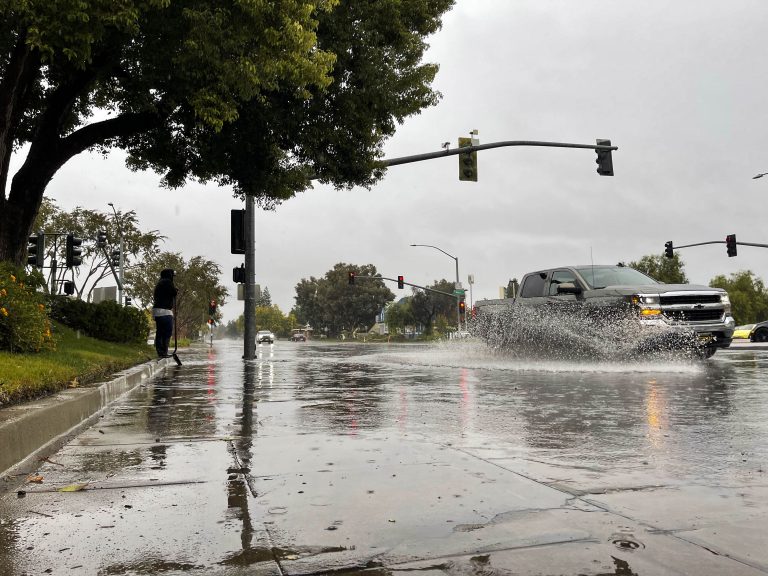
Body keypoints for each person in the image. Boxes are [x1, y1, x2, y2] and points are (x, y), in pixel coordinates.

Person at [152, 268, 178, 358]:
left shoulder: (160, 283)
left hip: (157, 310)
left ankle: (160, 352)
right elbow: (173, 292)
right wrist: (175, 290)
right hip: (165, 311)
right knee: (167, 331)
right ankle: (164, 351)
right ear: (169, 275)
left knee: (160, 331)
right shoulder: (168, 282)